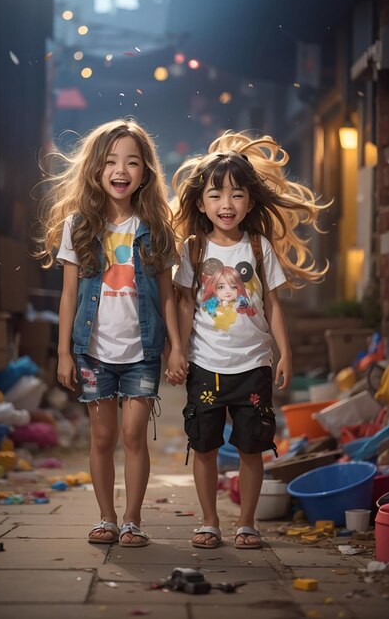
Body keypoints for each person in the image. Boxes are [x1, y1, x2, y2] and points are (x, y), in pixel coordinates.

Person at [168, 130, 330, 550]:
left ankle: (246, 523)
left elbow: (273, 305)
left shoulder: (259, 248)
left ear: (251, 202)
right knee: (203, 446)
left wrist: (285, 354)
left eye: (237, 195)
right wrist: (178, 350)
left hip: (254, 365)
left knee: (251, 447)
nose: (227, 205)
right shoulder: (192, 249)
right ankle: (208, 521)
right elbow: (185, 305)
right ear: (201, 202)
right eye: (216, 195)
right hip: (205, 365)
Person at [36, 118, 187, 547]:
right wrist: (64, 352)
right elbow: (68, 296)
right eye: (111, 161)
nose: (121, 170)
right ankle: (106, 516)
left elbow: (167, 295)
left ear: (145, 172)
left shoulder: (155, 228)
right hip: (92, 353)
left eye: (132, 162)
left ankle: (133, 520)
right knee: (102, 437)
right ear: (96, 168)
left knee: (134, 435)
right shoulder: (78, 226)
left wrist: (177, 347)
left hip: (143, 350)